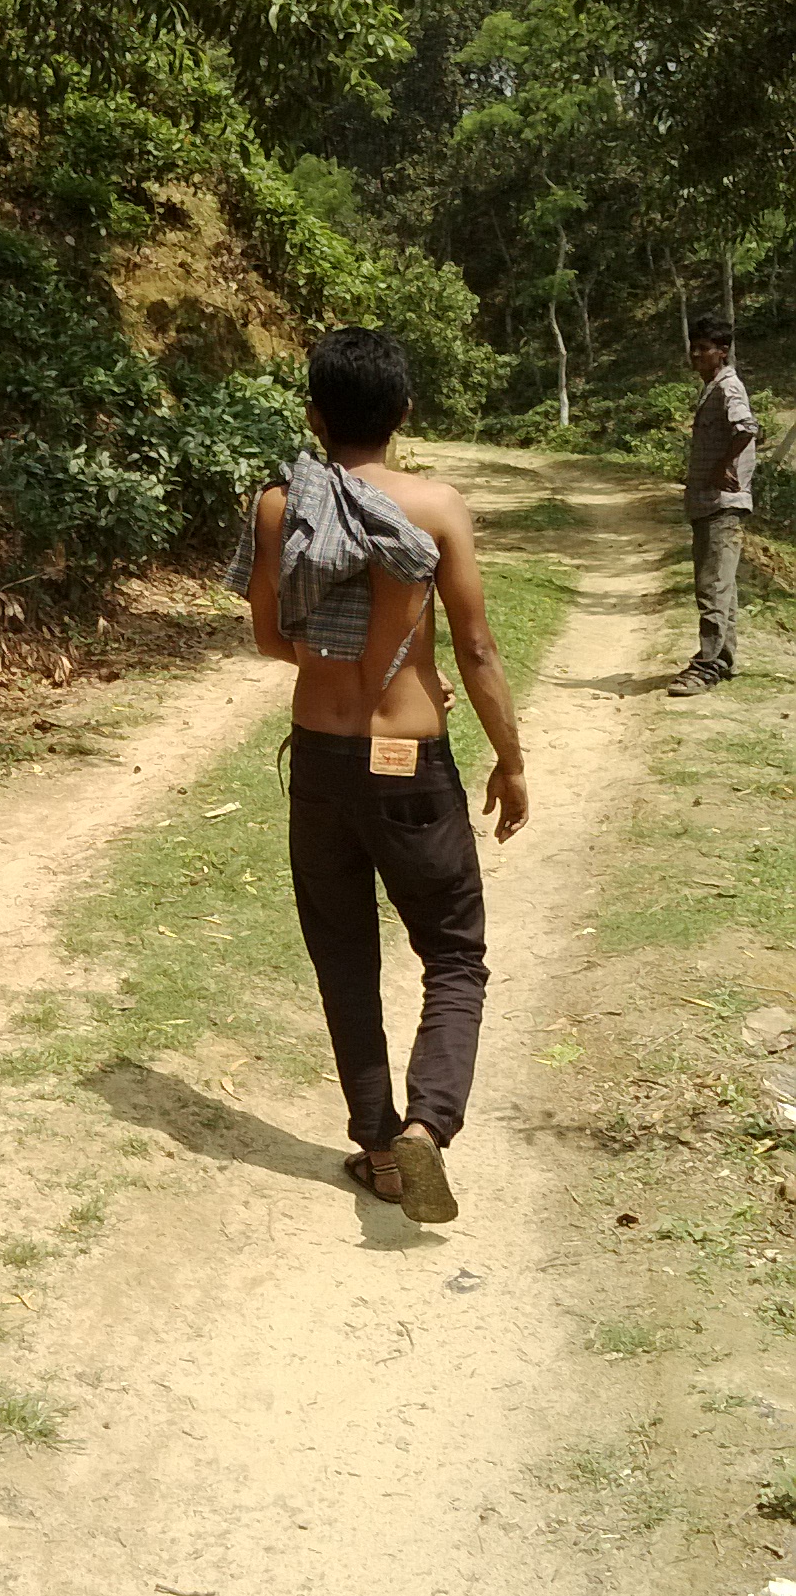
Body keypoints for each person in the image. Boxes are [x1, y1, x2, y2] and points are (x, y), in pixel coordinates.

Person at [228, 326, 528, 1226]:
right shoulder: (437, 507)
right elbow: (476, 647)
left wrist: (335, 661)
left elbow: (269, 636)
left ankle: (378, 1146)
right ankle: (428, 1125)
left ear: (314, 416)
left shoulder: (278, 506)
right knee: (455, 953)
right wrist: (511, 761)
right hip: (410, 761)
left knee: (343, 955)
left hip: (322, 757)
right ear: (403, 411)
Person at [667, 312, 759, 698]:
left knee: (712, 588)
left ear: (722, 352)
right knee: (722, 587)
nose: (695, 355)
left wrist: (724, 465)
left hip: (722, 503)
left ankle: (705, 667)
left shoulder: (728, 387)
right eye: (693, 348)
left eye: (703, 349)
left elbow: (747, 428)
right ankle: (723, 659)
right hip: (707, 502)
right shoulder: (712, 388)